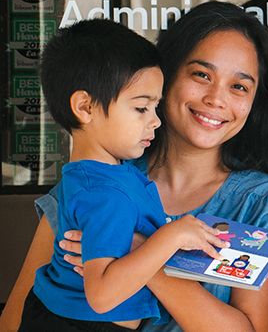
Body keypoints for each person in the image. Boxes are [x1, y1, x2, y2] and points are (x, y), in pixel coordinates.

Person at [1, 2, 268, 332]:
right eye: (201, 74)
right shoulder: (99, 180)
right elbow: (14, 321)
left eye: (239, 86)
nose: (216, 99)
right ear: (165, 78)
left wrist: (142, 251)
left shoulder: (267, 204)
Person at [20, 19, 226, 331]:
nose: (155, 122)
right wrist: (170, 237)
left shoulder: (102, 176)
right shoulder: (105, 194)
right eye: (142, 108)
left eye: (156, 107)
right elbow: (102, 296)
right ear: (85, 107)